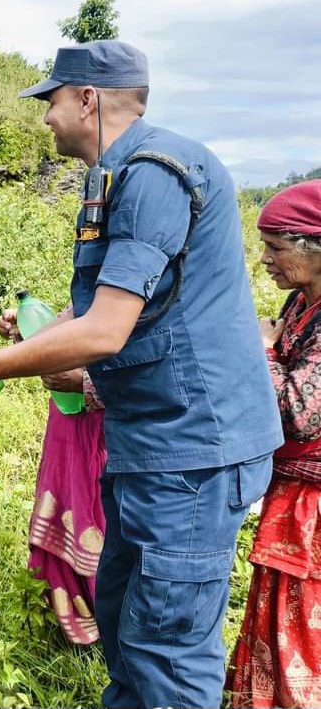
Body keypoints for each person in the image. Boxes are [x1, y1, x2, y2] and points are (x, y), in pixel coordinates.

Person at [0, 41, 282, 708]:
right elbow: (96, 306)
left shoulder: (154, 172)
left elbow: (105, 331)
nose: (46, 118)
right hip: (149, 447)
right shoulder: (114, 176)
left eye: (53, 101)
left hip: (192, 454)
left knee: (166, 653)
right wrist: (40, 335)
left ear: (87, 100)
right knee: (126, 632)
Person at [228, 181, 321, 708]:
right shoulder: (301, 301)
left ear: (315, 246)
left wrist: (262, 347)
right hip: (292, 494)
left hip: (314, 511)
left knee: (303, 620)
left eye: (276, 247)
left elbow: (298, 414)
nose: (264, 259)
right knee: (276, 604)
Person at [0, 306, 107, 645]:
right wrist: (32, 337)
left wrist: (85, 383)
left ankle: (107, 619)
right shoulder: (99, 266)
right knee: (63, 499)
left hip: (112, 428)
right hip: (69, 420)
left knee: (98, 513)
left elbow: (163, 372)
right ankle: (67, 618)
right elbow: (78, 319)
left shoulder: (151, 270)